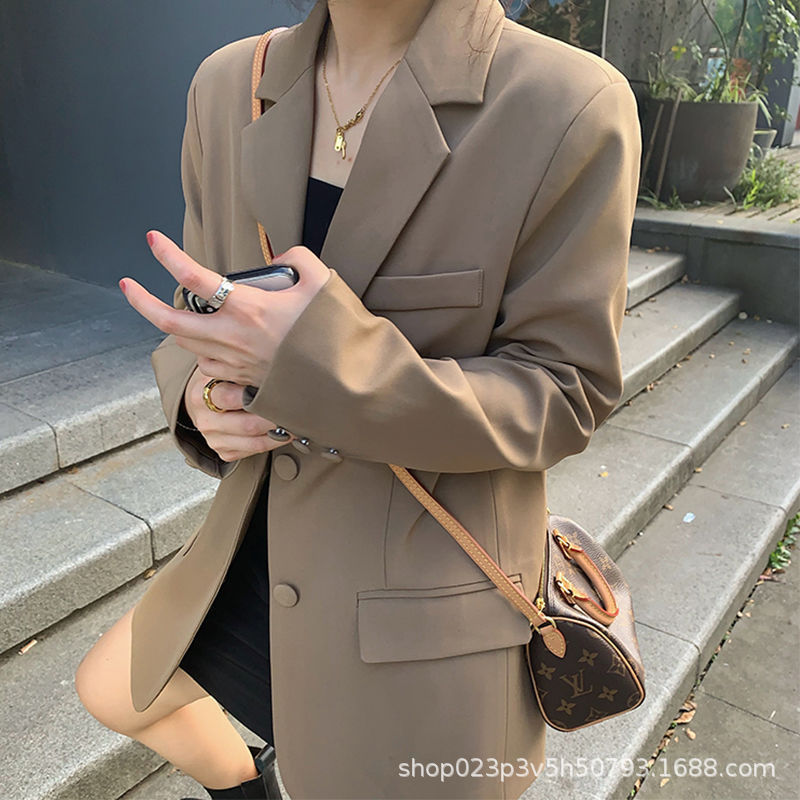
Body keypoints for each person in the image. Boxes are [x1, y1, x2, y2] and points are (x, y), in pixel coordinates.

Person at [74, 0, 642, 798]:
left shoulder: (565, 102)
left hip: (422, 599)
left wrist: (320, 364)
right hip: (258, 546)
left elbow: (563, 390)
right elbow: (205, 309)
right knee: (112, 687)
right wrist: (199, 395)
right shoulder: (227, 85)